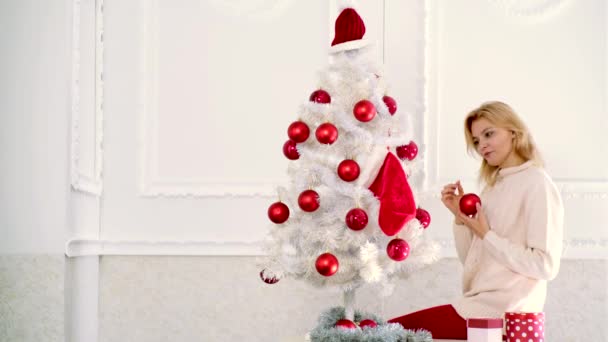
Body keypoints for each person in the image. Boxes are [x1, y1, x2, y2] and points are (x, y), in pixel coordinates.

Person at [388, 101, 564, 340]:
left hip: (505, 316)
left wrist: (487, 234)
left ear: (513, 132)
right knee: (384, 333)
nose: (482, 146)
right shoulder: (494, 188)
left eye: (488, 134)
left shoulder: (536, 183)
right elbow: (472, 262)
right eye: (477, 141)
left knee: (386, 334)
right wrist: (461, 219)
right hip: (477, 307)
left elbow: (545, 265)